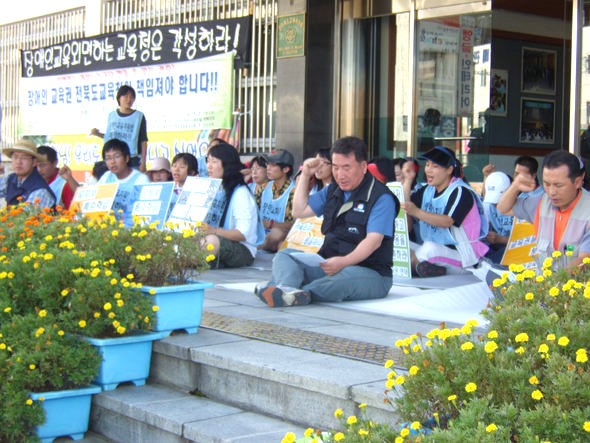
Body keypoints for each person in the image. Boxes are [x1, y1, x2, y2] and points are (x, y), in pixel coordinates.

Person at [254, 136, 399, 307]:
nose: (340, 175)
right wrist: (306, 175)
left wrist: (344, 262)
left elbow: (373, 242)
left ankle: (296, 291)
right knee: (285, 256)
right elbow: (299, 211)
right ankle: (286, 288)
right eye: (336, 168)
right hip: (330, 263)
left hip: (370, 272)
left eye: (347, 168)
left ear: (363, 166)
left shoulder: (381, 197)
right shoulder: (333, 189)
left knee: (343, 280)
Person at [401, 146, 488, 277]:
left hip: (464, 257)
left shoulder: (460, 191)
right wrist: (408, 180)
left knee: (428, 249)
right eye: (427, 165)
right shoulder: (428, 190)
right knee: (402, 248)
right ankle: (429, 268)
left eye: (435, 166)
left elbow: (447, 221)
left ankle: (426, 267)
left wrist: (416, 212)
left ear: (449, 170)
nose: (428, 170)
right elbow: (406, 205)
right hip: (436, 250)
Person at [497, 150, 590, 266]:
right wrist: (515, 186)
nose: (551, 192)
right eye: (547, 184)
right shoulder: (541, 201)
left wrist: (552, 281)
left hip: (572, 282)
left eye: (558, 185)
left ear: (578, 182)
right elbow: (503, 209)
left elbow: (584, 262)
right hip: (543, 281)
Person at [203, 143, 263, 268]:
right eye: (208, 161)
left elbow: (242, 235)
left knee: (211, 242)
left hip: (242, 249)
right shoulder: (214, 188)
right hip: (213, 237)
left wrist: (213, 231)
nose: (209, 166)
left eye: (214, 161)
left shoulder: (241, 193)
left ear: (227, 164)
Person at [91, 85, 148, 172]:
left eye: (132, 97)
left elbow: (143, 140)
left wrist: (143, 162)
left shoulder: (139, 116)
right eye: (126, 96)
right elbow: (110, 136)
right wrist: (97, 134)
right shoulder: (112, 115)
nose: (129, 99)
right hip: (114, 158)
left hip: (132, 159)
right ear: (119, 98)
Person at [98, 138, 150, 227]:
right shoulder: (106, 177)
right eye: (108, 158)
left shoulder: (141, 180)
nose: (112, 162)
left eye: (117, 156)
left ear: (126, 158)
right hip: (108, 229)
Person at [257, 149, 296, 252]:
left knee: (276, 233)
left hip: (282, 236)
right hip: (261, 234)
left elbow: (295, 223)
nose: (268, 168)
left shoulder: (294, 191)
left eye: (273, 165)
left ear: (286, 169)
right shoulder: (264, 187)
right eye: (267, 164)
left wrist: (271, 225)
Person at [0, 139, 55, 209]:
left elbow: (23, 217)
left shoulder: (40, 190)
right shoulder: (11, 179)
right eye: (15, 157)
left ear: (34, 162)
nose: (18, 162)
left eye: (24, 158)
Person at [482, 171, 513, 264]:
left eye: (498, 201)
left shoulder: (523, 208)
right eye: (493, 202)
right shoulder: (488, 206)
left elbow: (528, 242)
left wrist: (501, 239)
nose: (495, 205)